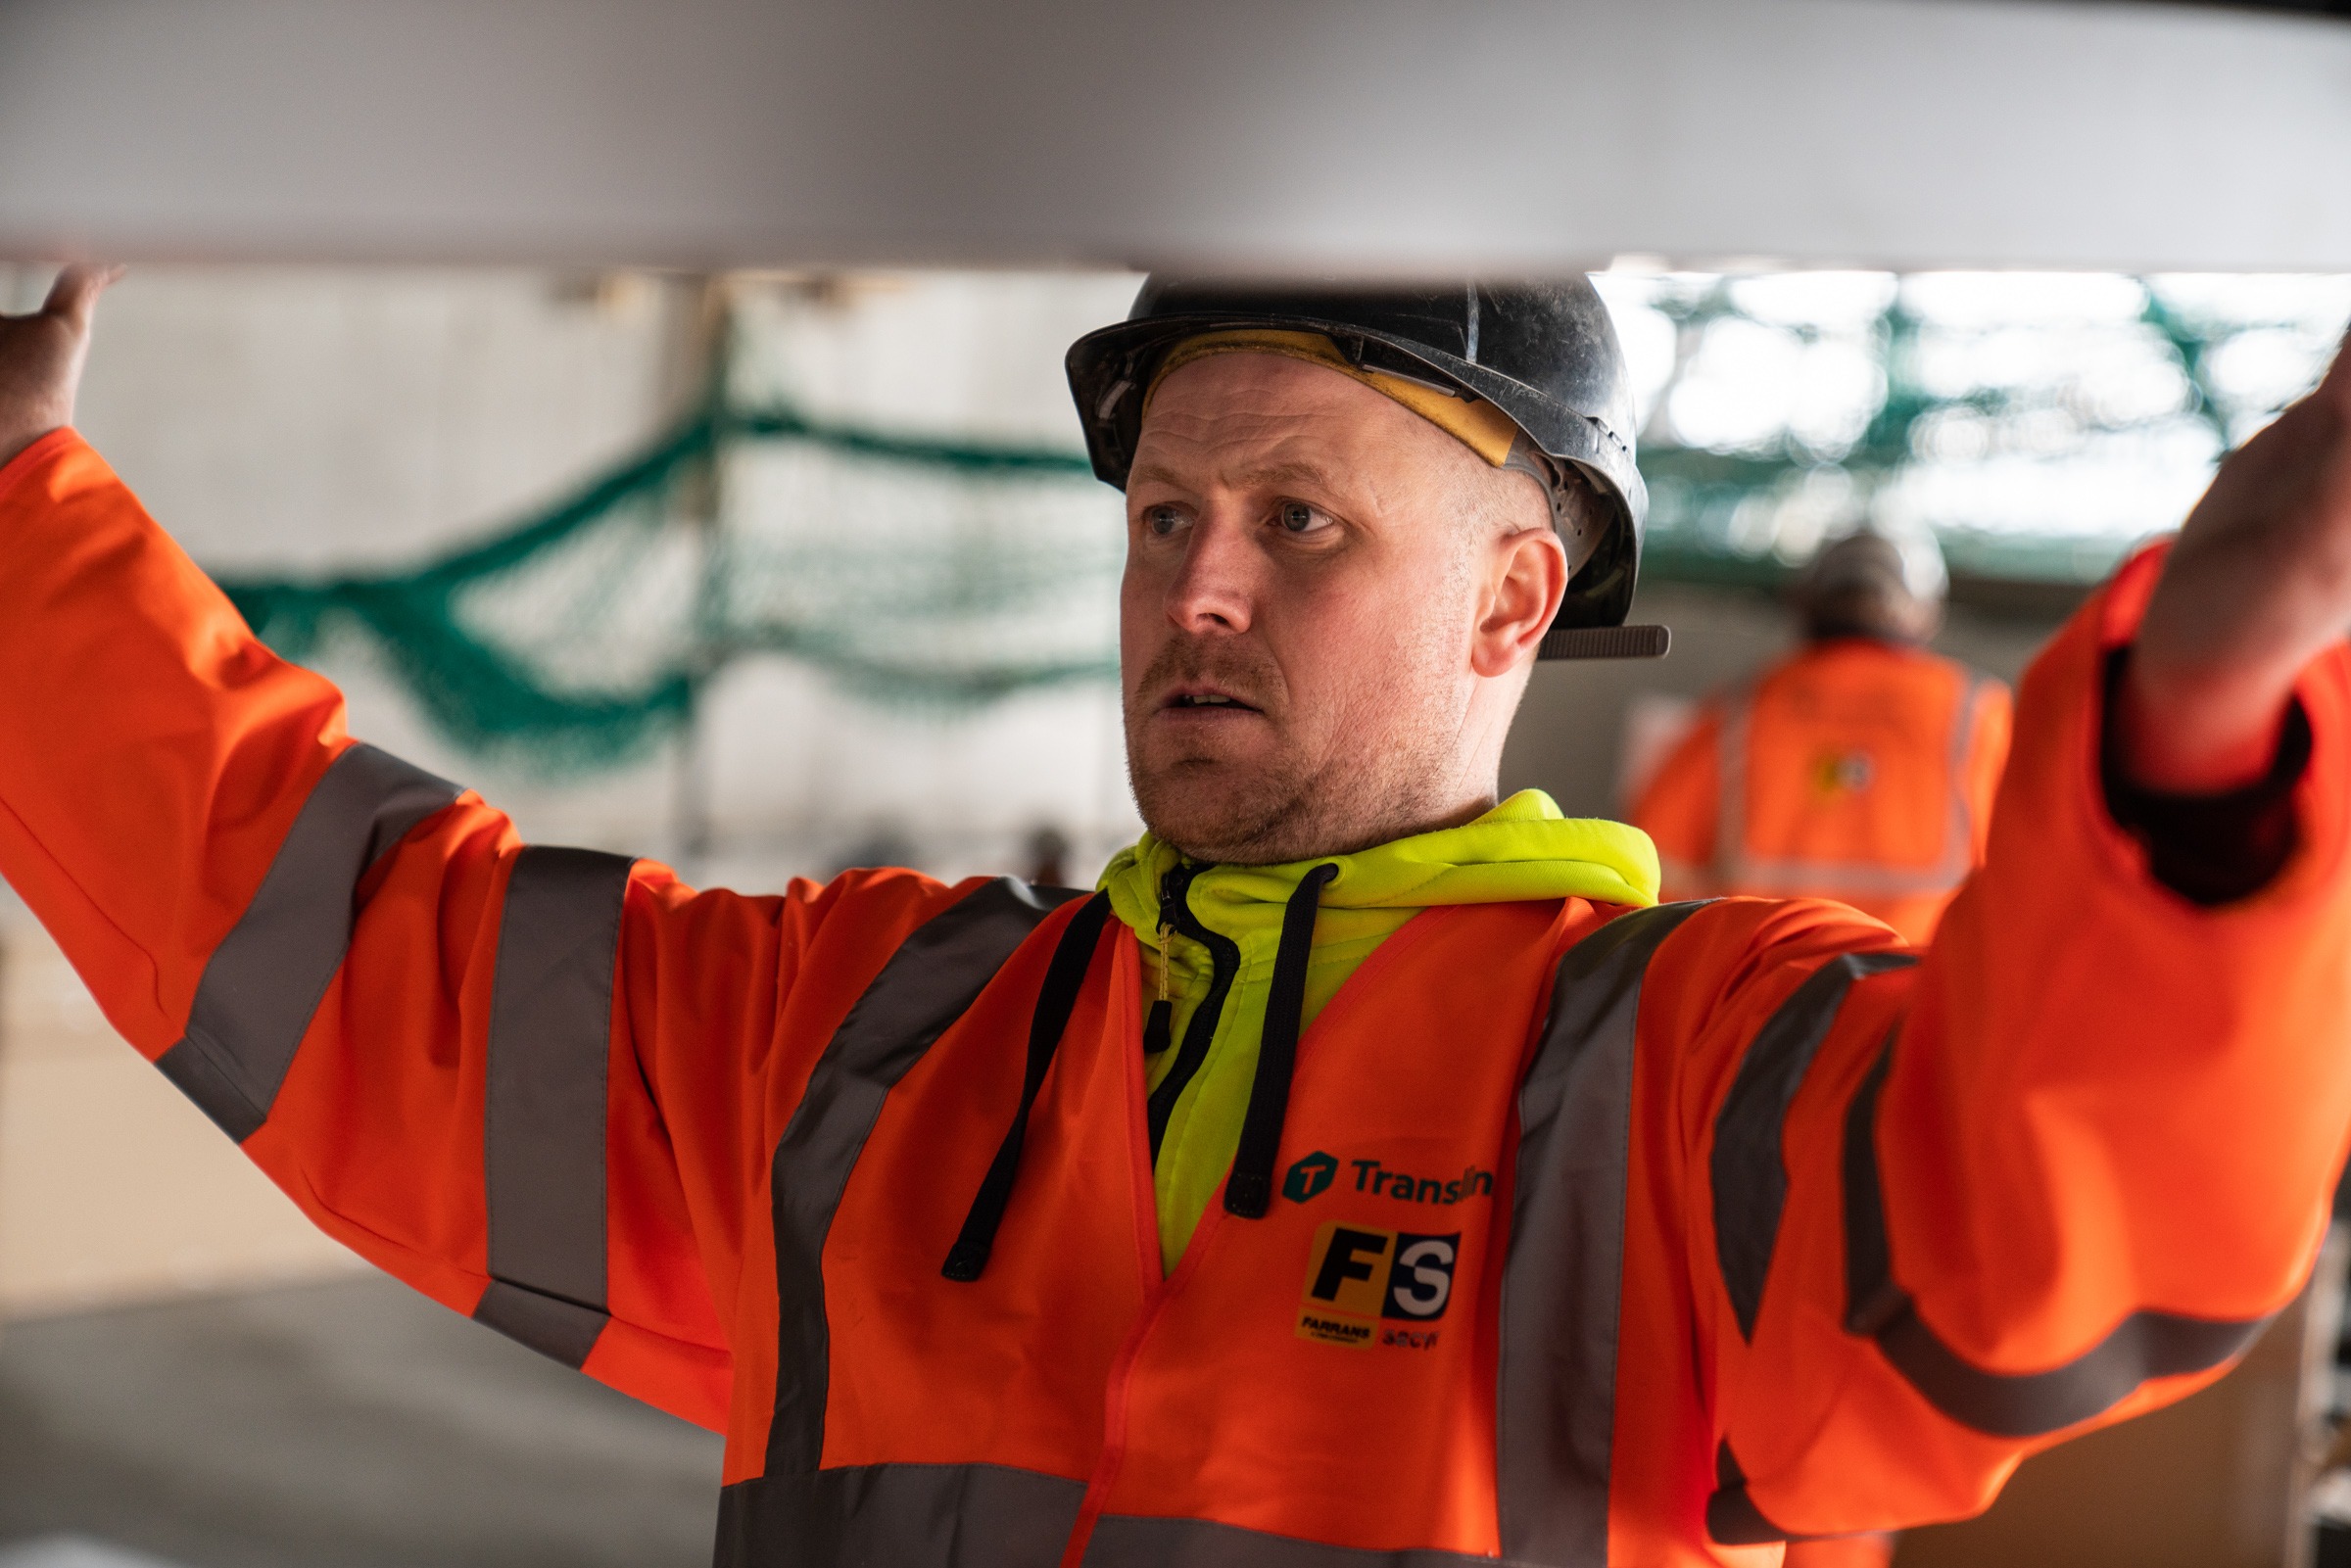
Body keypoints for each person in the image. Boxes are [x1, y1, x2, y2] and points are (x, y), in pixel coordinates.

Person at [1, 266, 2349, 1568]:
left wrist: (2203, 714)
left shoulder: (1678, 1080)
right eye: (1159, 516)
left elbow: (2043, 1216)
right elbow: (356, 953)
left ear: (1512, 600)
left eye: (1298, 522)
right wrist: (13, 509)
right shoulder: (864, 1033)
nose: (1194, 586)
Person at [1632, 527, 2011, 944]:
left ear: (1807, 604)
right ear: (1925, 612)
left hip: (1764, 978)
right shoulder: (1978, 716)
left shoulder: (1735, 713)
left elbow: (1648, 877)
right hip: (1920, 978)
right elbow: (2031, 878)